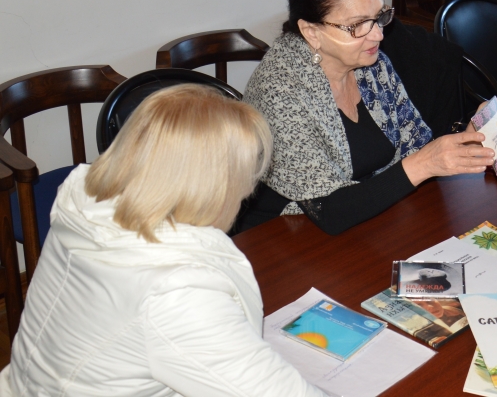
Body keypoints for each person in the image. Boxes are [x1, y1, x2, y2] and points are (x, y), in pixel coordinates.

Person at [0, 85, 324, 396]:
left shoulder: (87, 206)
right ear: (214, 187)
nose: (248, 191)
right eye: (245, 180)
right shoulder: (177, 291)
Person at [237, 0, 497, 235]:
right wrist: (425, 164)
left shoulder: (368, 63)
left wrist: (469, 139)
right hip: (286, 236)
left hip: (373, 223)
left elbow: (414, 146)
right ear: (311, 32)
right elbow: (328, 210)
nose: (378, 34)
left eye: (379, 16)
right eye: (357, 25)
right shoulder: (279, 91)